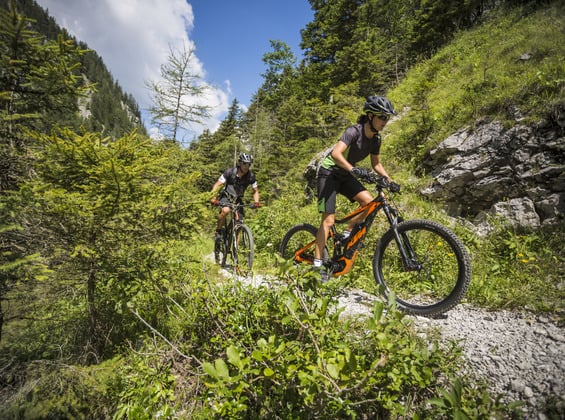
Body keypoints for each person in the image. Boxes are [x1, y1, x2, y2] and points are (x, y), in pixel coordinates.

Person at [314, 95, 397, 280]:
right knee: (328, 221)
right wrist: (354, 169)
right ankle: (317, 265)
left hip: (345, 174)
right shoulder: (354, 131)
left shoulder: (376, 139)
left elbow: (376, 164)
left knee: (368, 203)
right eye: (382, 117)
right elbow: (336, 153)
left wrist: (389, 180)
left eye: (387, 118)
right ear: (370, 116)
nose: (385, 122)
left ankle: (346, 233)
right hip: (328, 173)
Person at [211, 153, 260, 241]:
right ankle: (218, 231)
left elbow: (255, 191)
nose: (246, 166)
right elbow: (217, 185)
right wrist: (213, 198)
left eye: (248, 164)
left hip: (238, 199)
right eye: (244, 163)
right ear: (240, 163)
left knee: (239, 223)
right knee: (225, 210)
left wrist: (256, 202)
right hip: (227, 196)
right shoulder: (229, 172)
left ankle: (235, 251)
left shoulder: (251, 176)